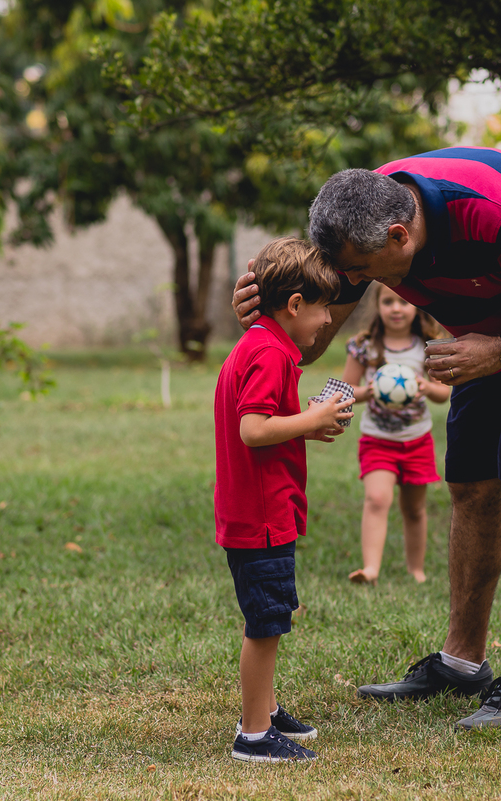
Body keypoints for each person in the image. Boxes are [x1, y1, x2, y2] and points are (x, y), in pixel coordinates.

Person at [231, 146, 501, 730]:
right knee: (470, 482)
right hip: (482, 334)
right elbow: (310, 345)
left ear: (400, 236)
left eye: (361, 271)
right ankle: (463, 663)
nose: (351, 284)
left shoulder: (497, 212)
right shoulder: (357, 231)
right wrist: (268, 314)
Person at [215, 237, 354, 763]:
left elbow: (266, 422)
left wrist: (306, 424)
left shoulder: (260, 344)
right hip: (262, 515)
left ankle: (266, 711)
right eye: (322, 308)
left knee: (269, 614)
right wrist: (313, 418)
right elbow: (253, 430)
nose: (328, 320)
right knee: (266, 623)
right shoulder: (271, 353)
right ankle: (253, 735)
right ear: (295, 304)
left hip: (258, 510)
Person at [342, 284, 451, 585]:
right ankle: (370, 569)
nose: (396, 308)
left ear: (415, 305)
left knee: (414, 509)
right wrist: (369, 392)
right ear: (377, 306)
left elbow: (443, 393)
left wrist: (426, 387)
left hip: (417, 440)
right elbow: (346, 390)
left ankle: (416, 569)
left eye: (403, 302)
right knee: (377, 499)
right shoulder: (364, 346)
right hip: (377, 439)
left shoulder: (427, 346)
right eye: (388, 301)